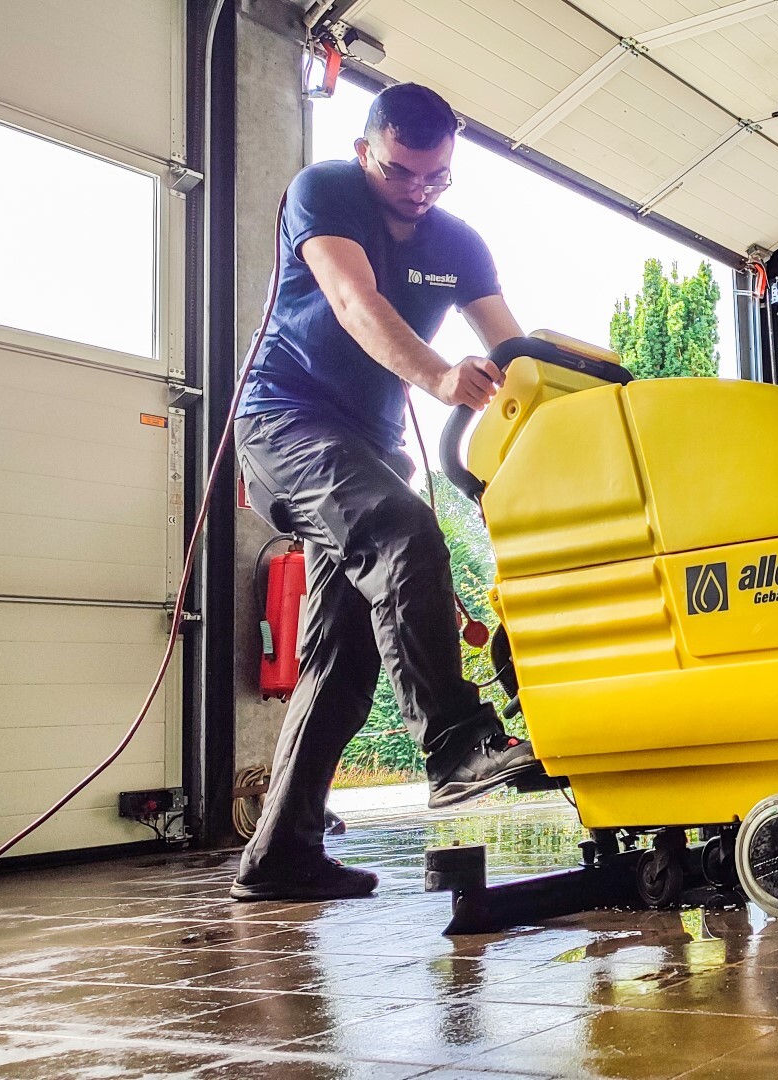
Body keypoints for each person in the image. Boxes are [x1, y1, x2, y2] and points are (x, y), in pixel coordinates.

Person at [230, 83, 541, 901]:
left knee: (341, 658)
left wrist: (583, 395)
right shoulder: (324, 191)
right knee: (404, 530)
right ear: (368, 149)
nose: (419, 189)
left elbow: (514, 348)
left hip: (367, 445)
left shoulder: (459, 242)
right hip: (284, 422)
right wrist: (441, 375)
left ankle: (281, 856)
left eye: (436, 176)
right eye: (403, 171)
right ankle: (455, 744)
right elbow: (351, 298)